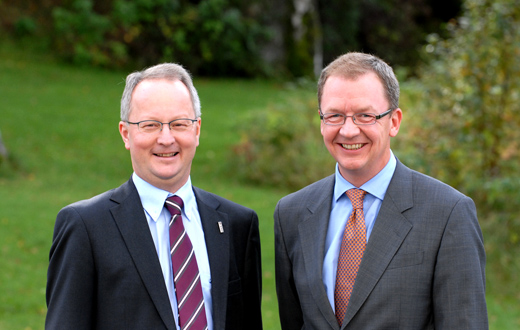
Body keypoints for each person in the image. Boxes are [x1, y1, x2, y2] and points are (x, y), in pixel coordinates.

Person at [274, 52, 487, 329]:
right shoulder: (291, 214)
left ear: (394, 121)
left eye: (365, 116)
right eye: (335, 115)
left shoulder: (448, 213)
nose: (348, 131)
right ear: (321, 121)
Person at [46, 63, 263, 330]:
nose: (166, 138)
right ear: (126, 133)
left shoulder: (236, 224)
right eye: (150, 125)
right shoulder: (86, 227)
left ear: (196, 130)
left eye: (179, 124)